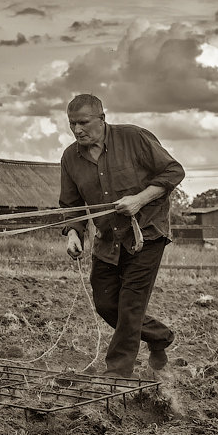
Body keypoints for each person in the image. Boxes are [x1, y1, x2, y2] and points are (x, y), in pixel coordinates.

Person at [59, 93, 184, 377]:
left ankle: (117, 373)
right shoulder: (70, 158)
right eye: (71, 124)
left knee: (130, 305)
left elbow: (173, 171)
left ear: (101, 119)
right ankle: (159, 336)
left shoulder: (134, 138)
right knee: (105, 304)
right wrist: (74, 234)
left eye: (83, 122)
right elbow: (71, 205)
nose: (77, 130)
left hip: (146, 236)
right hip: (107, 240)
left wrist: (139, 199)